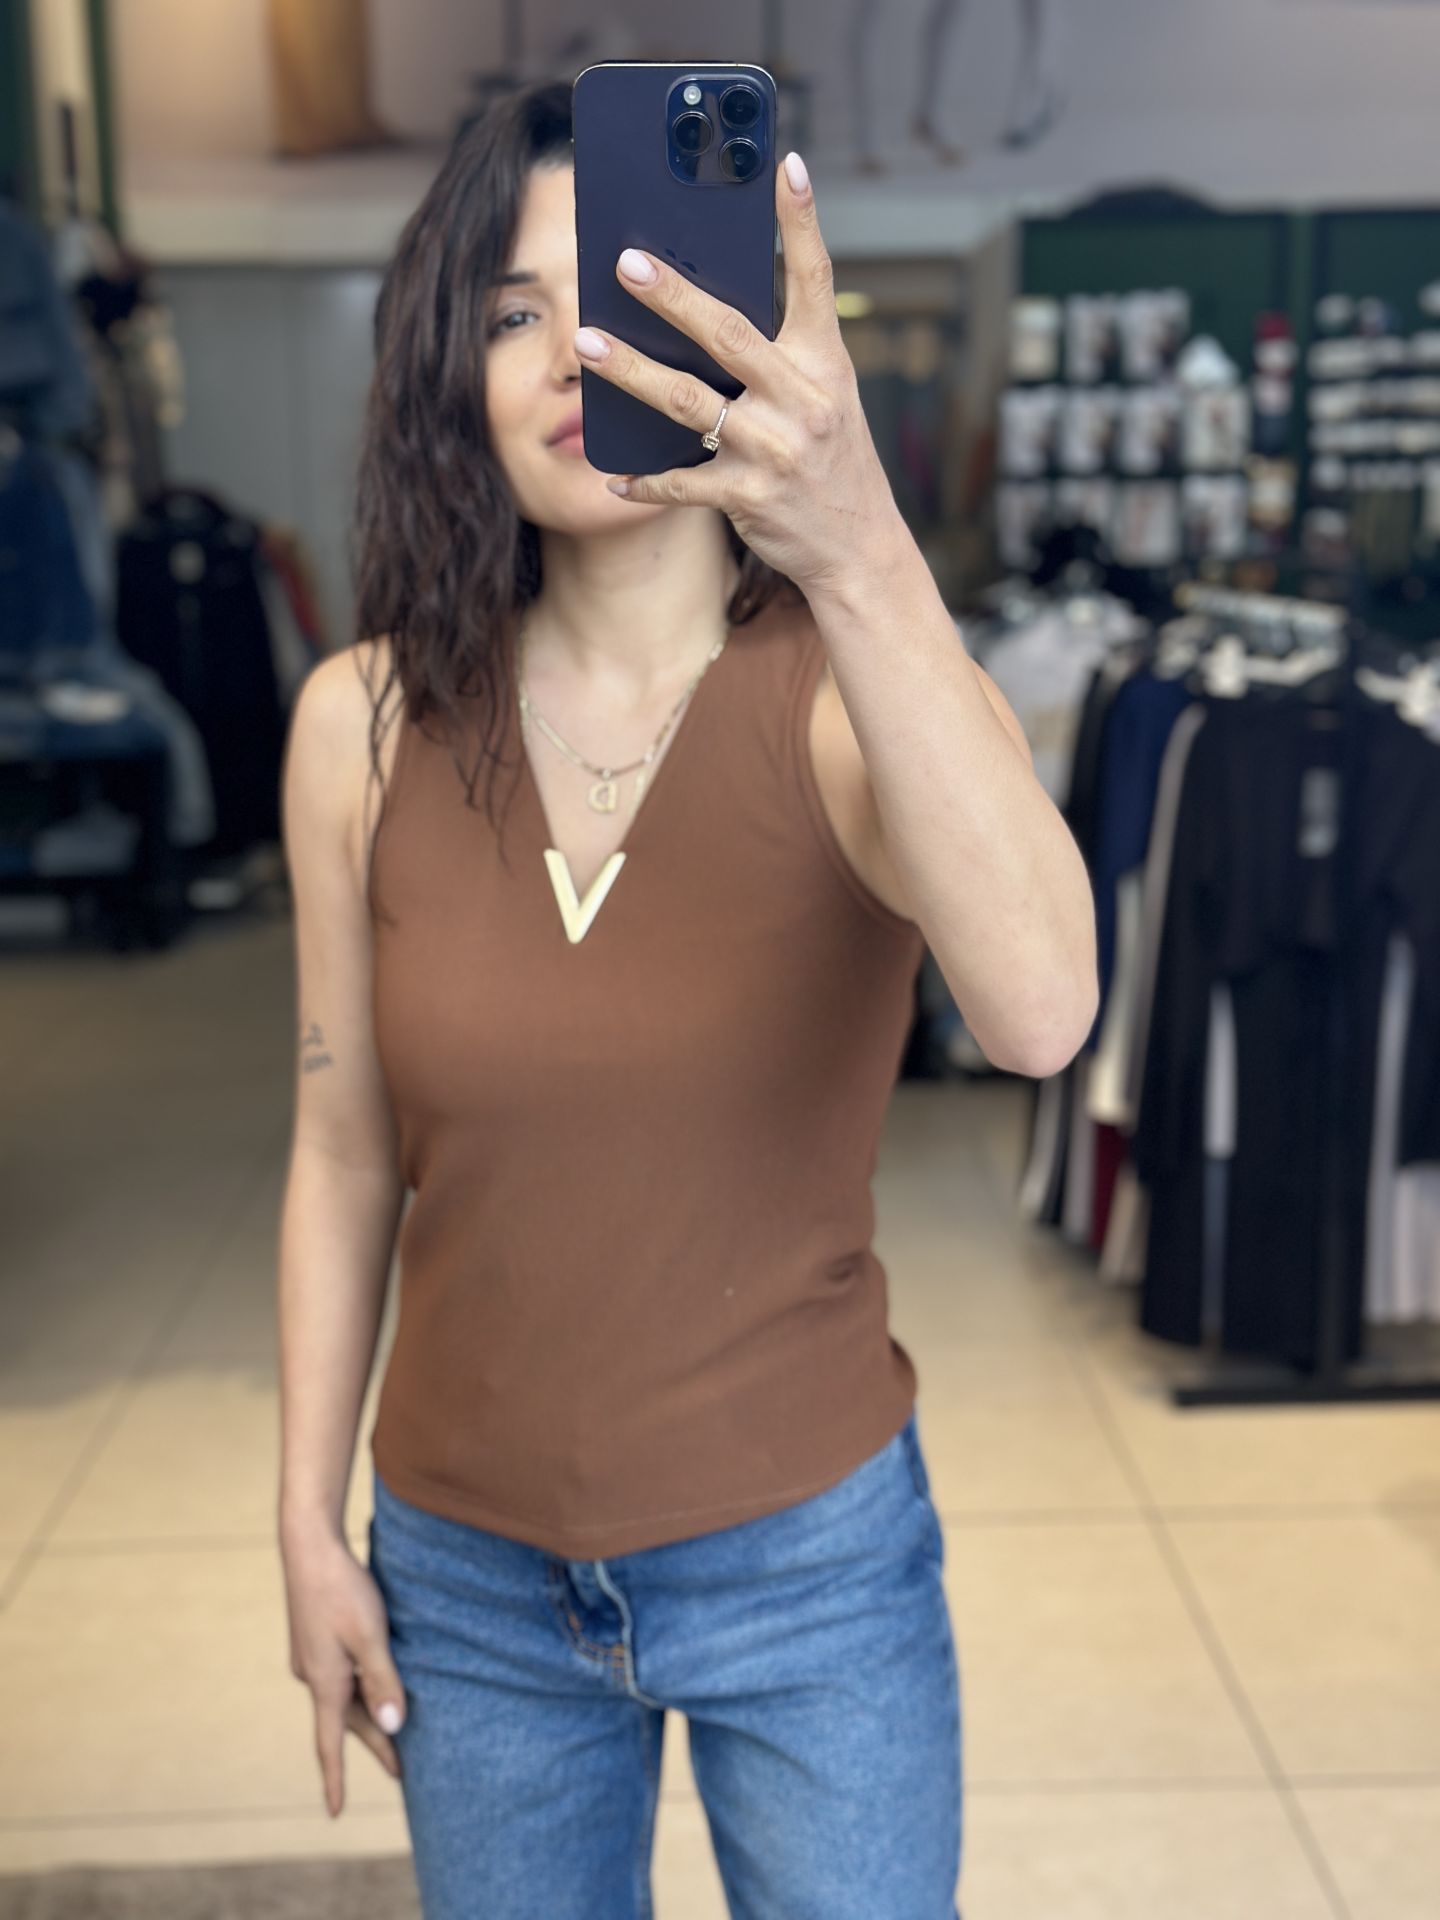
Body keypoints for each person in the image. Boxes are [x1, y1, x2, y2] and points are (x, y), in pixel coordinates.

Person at [277, 79, 1096, 1920]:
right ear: (451, 372)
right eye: (514, 311)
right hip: (464, 1580)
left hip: (807, 1562)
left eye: (629, 291)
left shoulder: (853, 696)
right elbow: (340, 1156)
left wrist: (856, 534)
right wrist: (302, 1521)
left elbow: (1046, 1014)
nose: (580, 351)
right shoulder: (362, 724)